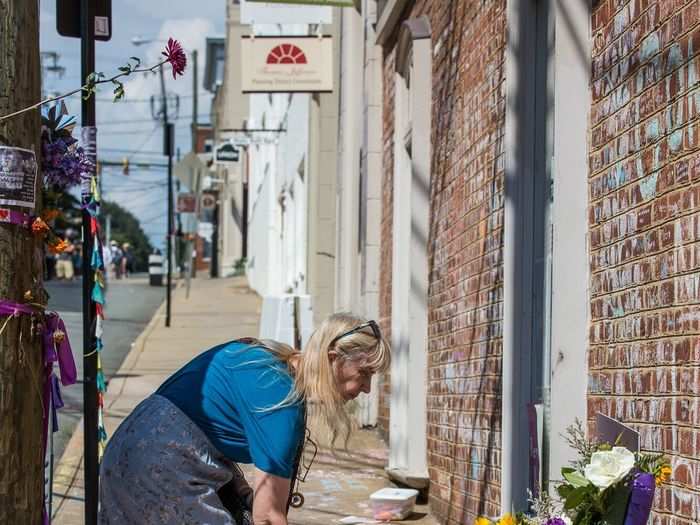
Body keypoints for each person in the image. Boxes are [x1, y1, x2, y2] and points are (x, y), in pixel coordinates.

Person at [98, 313, 390, 525]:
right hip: (159, 467)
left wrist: (246, 498)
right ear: (332, 358)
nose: (366, 388)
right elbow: (268, 517)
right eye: (364, 373)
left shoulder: (265, 358)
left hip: (130, 449)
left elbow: (206, 435)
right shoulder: (280, 404)